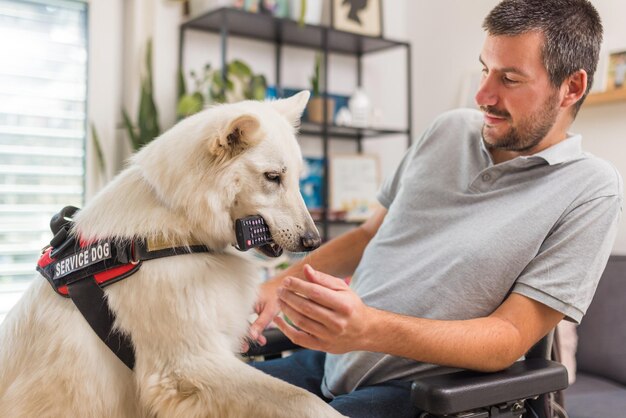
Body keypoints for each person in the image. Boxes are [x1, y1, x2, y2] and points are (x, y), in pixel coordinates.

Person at [247, 0, 622, 416]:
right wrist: (278, 287)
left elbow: (510, 337)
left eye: (510, 79)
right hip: (331, 359)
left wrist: (367, 328)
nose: (483, 96)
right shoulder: (447, 129)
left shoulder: (591, 189)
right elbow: (369, 235)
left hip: (423, 393)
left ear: (571, 87)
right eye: (485, 69)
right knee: (186, 396)